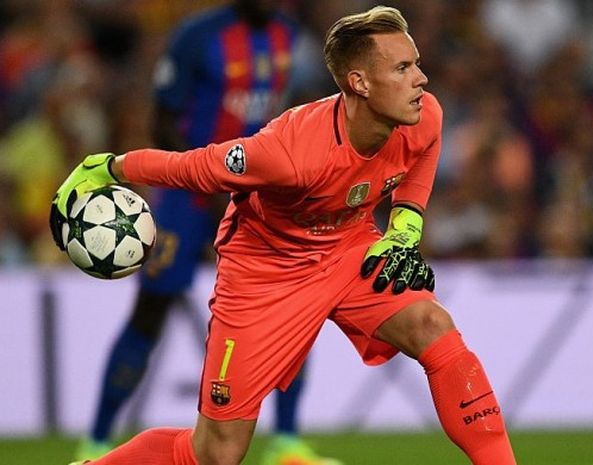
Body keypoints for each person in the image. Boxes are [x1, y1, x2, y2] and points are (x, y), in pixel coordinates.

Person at [52, 6, 518, 465]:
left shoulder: (425, 115)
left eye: (416, 63)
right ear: (360, 82)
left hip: (348, 246)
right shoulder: (289, 153)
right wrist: (110, 166)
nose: (422, 79)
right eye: (403, 67)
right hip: (264, 270)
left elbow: (422, 152)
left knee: (433, 326)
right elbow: (195, 167)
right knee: (217, 452)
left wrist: (405, 225)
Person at [73, 2, 339, 465]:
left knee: (293, 312)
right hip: (191, 198)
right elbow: (162, 120)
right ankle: (96, 442)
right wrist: (213, 176)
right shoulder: (196, 35)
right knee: (150, 310)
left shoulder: (288, 34)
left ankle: (288, 444)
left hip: (260, 198)